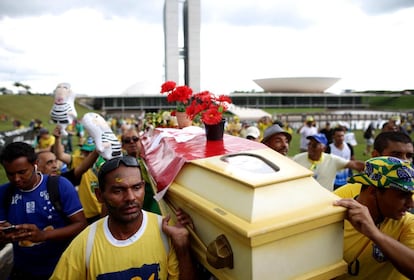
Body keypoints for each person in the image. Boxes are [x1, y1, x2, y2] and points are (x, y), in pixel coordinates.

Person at [50, 156, 196, 279]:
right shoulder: (85, 244)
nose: (130, 197)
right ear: (100, 195)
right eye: (118, 190)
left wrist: (182, 247)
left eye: (136, 188)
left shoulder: (166, 232)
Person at [0, 142, 87, 279]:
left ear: (35, 164)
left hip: (61, 269)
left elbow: (81, 225)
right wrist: (5, 235)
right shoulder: (4, 193)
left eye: (22, 172)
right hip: (22, 270)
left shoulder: (60, 185)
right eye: (10, 174)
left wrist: (43, 235)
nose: (16, 179)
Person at [333, 157, 414, 279]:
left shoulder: (407, 223)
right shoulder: (334, 216)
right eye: (403, 195)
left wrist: (375, 234)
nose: (411, 204)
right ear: (373, 191)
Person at [334, 131, 413, 199]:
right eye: (396, 155)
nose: (405, 161)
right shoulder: (342, 196)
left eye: (409, 156)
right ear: (375, 155)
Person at [292, 133, 364, 191]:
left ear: (324, 148)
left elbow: (354, 164)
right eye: (309, 144)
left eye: (314, 145)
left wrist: (371, 166)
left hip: (325, 200)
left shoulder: (332, 160)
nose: (310, 147)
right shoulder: (297, 159)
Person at [121, 127, 160, 214]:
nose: (132, 142)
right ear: (122, 146)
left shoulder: (152, 159)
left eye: (135, 139)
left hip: (154, 203)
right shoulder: (121, 166)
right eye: (127, 140)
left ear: (140, 140)